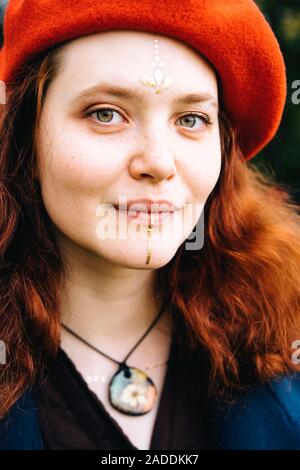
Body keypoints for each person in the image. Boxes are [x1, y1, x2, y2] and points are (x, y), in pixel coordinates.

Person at [0, 0, 300, 451]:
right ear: (26, 134)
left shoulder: (281, 340)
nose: (159, 162)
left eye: (192, 119)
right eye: (106, 113)